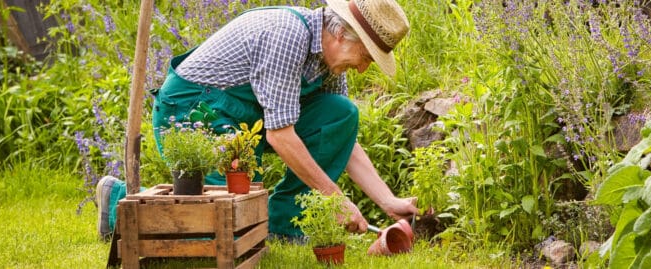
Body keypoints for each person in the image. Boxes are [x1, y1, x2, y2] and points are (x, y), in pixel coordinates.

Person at [96, 0, 418, 242]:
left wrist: (387, 200)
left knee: (341, 114)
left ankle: (282, 226)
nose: (362, 69)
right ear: (341, 33)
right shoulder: (285, 35)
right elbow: (281, 135)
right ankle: (117, 202)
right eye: (365, 57)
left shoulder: (327, 61)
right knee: (225, 226)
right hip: (195, 114)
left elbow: (339, 138)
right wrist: (336, 199)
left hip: (244, 122)